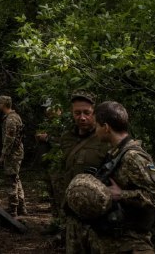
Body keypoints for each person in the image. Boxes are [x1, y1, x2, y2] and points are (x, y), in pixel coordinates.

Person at [87, 101, 155, 254]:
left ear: (106, 127)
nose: (95, 132)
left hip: (132, 243)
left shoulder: (133, 157)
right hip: (114, 242)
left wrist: (121, 195)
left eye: (97, 126)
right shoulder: (114, 154)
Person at [50, 91, 112, 254]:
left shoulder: (106, 137)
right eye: (77, 113)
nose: (82, 117)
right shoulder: (67, 137)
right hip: (73, 214)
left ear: (95, 113)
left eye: (87, 113)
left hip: (99, 218)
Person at [0, 95, 26, 217]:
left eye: (0, 103)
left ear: (4, 104)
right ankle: (21, 208)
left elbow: (9, 139)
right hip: (15, 153)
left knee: (11, 181)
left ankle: (13, 209)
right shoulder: (13, 116)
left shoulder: (11, 119)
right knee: (16, 179)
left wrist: (3, 156)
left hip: (13, 155)